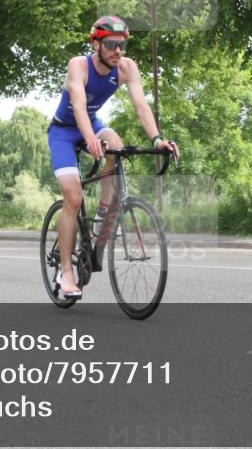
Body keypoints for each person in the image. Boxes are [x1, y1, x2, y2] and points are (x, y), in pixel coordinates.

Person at [47, 15, 180, 298]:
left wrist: (157, 139)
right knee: (73, 197)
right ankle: (66, 273)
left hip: (92, 126)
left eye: (122, 45)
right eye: (110, 45)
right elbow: (80, 107)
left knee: (116, 144)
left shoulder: (126, 68)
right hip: (63, 132)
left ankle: (101, 216)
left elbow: (141, 105)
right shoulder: (79, 66)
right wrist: (90, 139)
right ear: (96, 43)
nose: (117, 51)